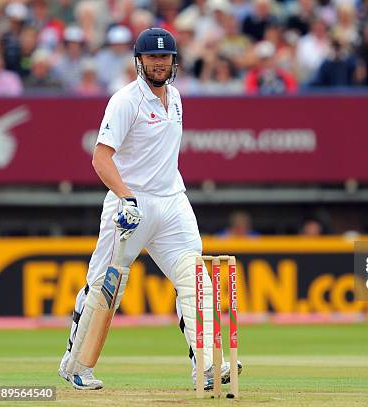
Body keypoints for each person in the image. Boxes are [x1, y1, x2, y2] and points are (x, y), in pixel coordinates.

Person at [57, 27, 241, 391]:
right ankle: (76, 365)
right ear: (139, 61)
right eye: (152, 57)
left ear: (175, 61)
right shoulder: (126, 100)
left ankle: (206, 368)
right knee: (106, 288)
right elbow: (101, 158)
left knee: (196, 281)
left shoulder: (175, 97)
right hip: (130, 205)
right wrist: (127, 197)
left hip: (173, 202)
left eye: (165, 57)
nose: (159, 63)